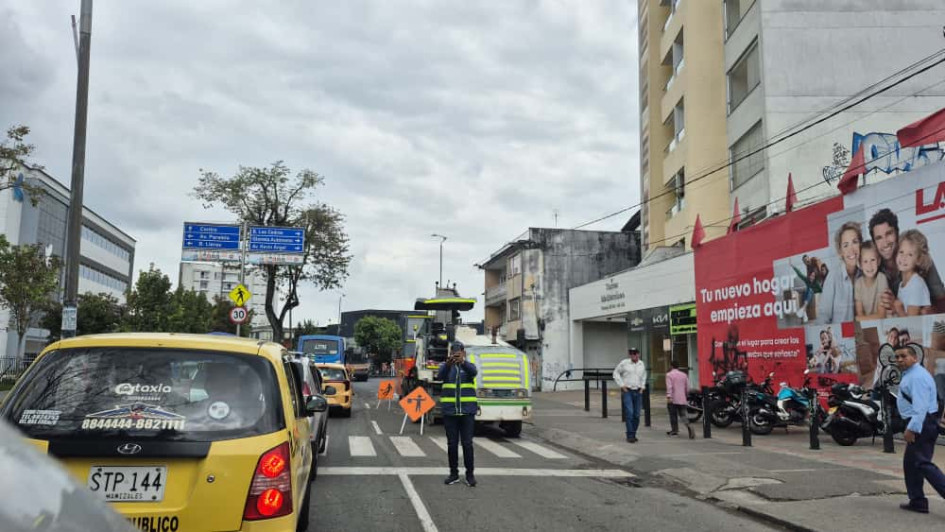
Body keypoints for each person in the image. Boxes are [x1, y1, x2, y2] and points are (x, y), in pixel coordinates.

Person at [895, 345, 945, 513]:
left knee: (922, 463)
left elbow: (921, 406)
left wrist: (912, 428)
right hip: (921, 422)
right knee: (911, 463)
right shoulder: (912, 374)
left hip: (921, 423)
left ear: (914, 358)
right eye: (897, 357)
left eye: (903, 356)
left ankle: (919, 499)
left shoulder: (917, 377)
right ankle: (918, 501)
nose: (900, 360)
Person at [870, 208, 945, 314]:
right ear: (874, 243)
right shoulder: (873, 267)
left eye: (889, 233)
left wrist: (928, 312)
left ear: (897, 233)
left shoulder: (918, 255)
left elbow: (942, 302)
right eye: (879, 238)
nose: (885, 242)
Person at [436, 341, 478, 487]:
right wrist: (448, 365)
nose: (456, 355)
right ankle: (453, 474)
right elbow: (439, 377)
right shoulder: (446, 367)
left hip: (467, 412)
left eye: (458, 353)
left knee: (467, 444)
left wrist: (463, 362)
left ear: (463, 353)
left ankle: (470, 475)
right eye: (453, 352)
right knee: (452, 444)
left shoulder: (469, 366)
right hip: (450, 412)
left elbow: (474, 372)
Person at [817, 221, 861, 324]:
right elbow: (823, 317)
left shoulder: (866, 274)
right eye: (846, 245)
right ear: (840, 252)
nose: (851, 249)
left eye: (855, 242)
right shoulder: (833, 277)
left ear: (860, 245)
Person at [893, 230, 933, 317]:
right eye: (901, 252)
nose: (904, 257)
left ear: (918, 260)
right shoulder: (902, 284)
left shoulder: (916, 283)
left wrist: (899, 309)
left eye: (910, 254)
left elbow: (911, 320)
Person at [613, 347, 646, 443]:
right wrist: (622, 385)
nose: (633, 355)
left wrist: (642, 387)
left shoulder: (641, 364)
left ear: (638, 354)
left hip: (638, 390)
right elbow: (616, 373)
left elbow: (644, 375)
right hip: (628, 390)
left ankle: (633, 433)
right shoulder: (624, 363)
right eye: (631, 353)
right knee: (629, 413)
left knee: (637, 414)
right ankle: (630, 435)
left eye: (635, 353)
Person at [854, 241, 889, 320]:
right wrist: (860, 318)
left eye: (873, 260)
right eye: (865, 261)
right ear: (860, 264)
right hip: (868, 323)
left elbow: (881, 315)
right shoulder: (858, 283)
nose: (869, 265)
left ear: (879, 261)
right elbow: (860, 313)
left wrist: (859, 318)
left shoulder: (881, 278)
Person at [665, 360, 693, 439]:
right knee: (683, 415)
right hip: (682, 398)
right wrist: (686, 395)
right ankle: (689, 425)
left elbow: (669, 387)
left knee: (673, 415)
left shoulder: (669, 375)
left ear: (671, 366)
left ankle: (674, 430)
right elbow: (687, 388)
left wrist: (669, 396)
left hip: (673, 399)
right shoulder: (684, 375)